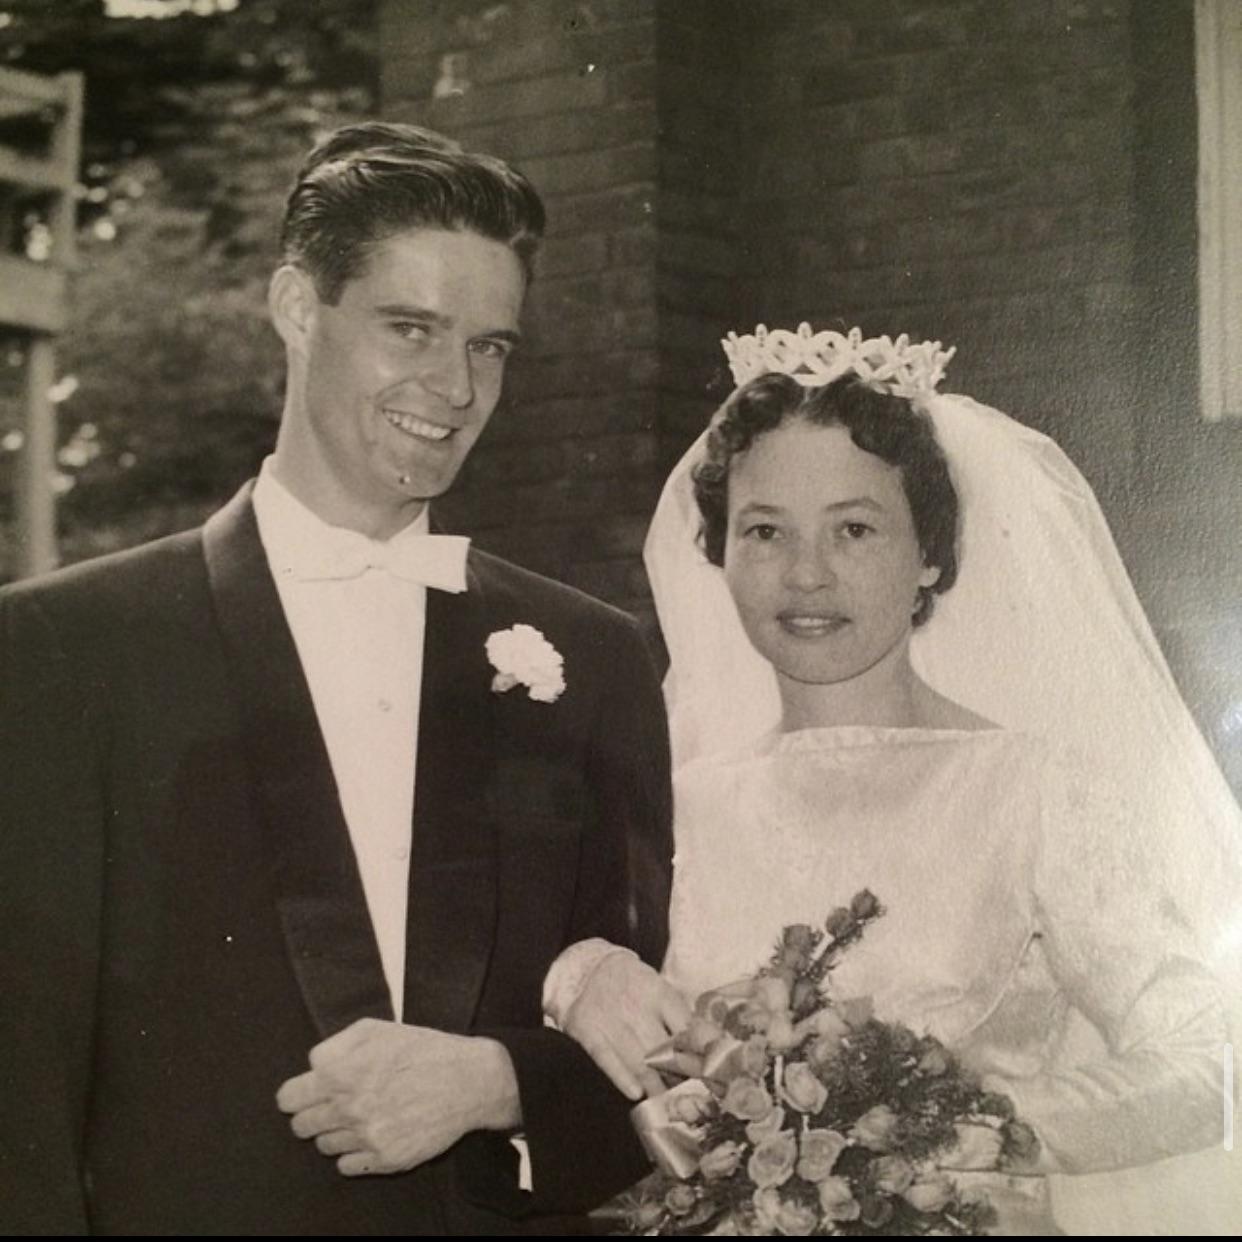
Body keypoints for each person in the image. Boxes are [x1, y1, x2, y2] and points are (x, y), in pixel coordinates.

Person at [0, 121, 673, 1235]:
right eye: (411, 329)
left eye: (491, 346)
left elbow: (649, 1069)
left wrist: (499, 1083)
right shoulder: (60, 652)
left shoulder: (592, 658)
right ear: (297, 308)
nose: (453, 387)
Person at [545, 326, 1242, 1234]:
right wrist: (578, 975)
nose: (806, 574)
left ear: (928, 555)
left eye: (855, 529)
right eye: (765, 531)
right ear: (719, 551)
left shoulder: (1031, 787)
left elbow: (1208, 1059)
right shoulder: (681, 799)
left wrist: (973, 1121)